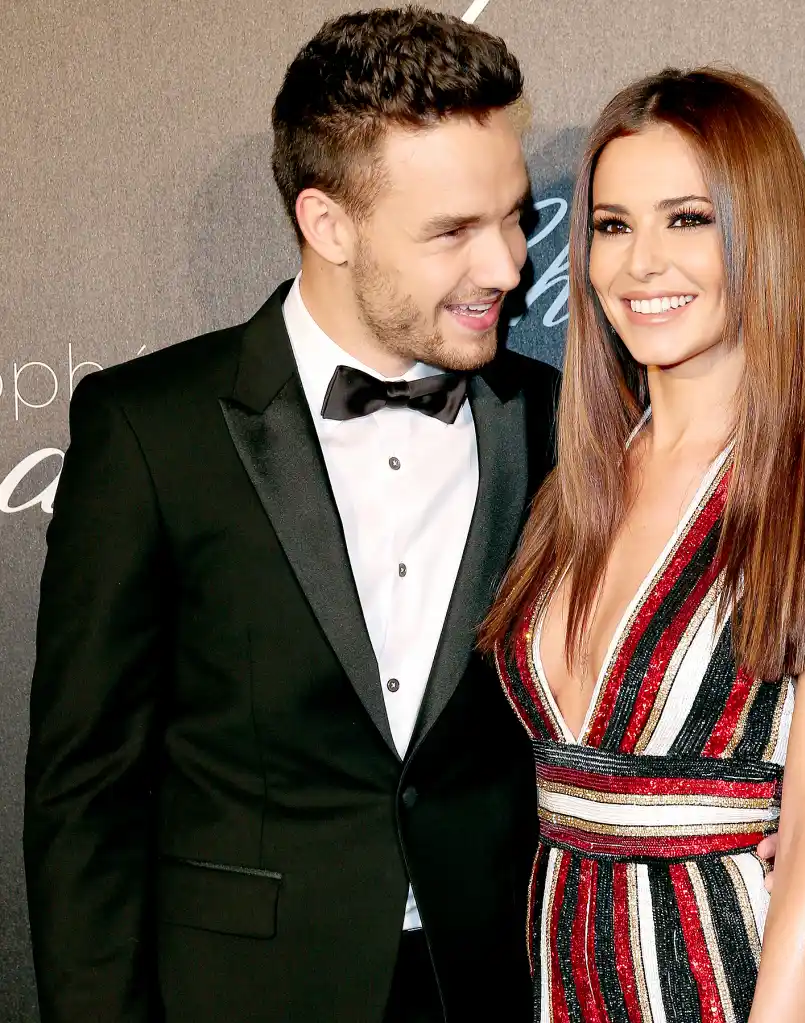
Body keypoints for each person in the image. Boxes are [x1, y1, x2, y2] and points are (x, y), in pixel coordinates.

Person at [23, 9, 560, 1022]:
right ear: (329, 225)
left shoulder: (553, 420)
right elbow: (84, 793)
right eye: (451, 231)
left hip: (493, 979)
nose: (503, 267)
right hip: (244, 988)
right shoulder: (151, 431)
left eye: (510, 217)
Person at [481, 67, 805, 1022]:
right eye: (611, 225)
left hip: (735, 987)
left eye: (687, 219)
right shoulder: (574, 489)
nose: (641, 264)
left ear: (760, 234)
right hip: (569, 982)